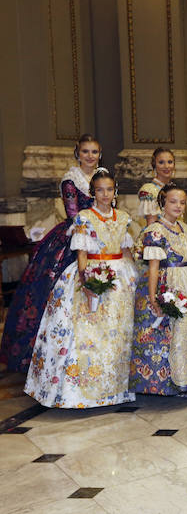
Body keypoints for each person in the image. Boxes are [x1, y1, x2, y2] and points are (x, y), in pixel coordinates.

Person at [25, 169, 138, 408]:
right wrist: (86, 282)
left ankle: (115, 389)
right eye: (100, 190)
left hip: (120, 277)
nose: (105, 194)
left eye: (109, 189)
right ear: (92, 192)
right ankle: (78, 393)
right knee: (87, 332)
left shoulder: (123, 217)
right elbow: (82, 253)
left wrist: (133, 274)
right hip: (93, 272)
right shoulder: (85, 217)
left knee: (117, 333)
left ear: (115, 191)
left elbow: (126, 249)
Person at [0, 134, 99, 373]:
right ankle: (58, 354)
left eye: (94, 152)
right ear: (77, 153)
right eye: (85, 151)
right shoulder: (70, 180)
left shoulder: (102, 176)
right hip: (77, 235)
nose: (90, 156)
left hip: (102, 232)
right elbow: (74, 213)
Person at [130, 184, 187, 396]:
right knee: (173, 331)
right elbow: (153, 267)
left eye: (182, 202)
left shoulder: (185, 228)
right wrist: (154, 298)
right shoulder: (155, 230)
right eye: (173, 202)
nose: (178, 206)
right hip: (168, 282)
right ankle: (173, 381)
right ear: (162, 203)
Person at [137, 147, 176, 227]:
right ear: (154, 165)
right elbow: (151, 226)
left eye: (170, 162)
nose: (166, 166)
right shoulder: (149, 190)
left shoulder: (175, 189)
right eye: (161, 162)